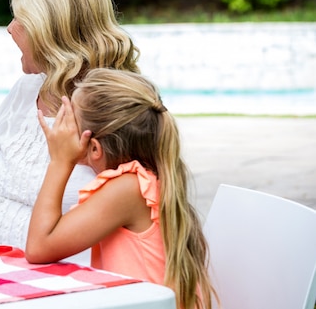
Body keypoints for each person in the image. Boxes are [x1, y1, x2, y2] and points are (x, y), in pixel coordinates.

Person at [0, 0, 140, 249]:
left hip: (66, 284)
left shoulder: (119, 112)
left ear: (50, 28)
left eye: (20, 17)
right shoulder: (22, 93)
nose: (10, 28)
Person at [25, 68, 217, 309]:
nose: (61, 127)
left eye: (69, 119)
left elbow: (39, 247)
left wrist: (60, 161)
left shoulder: (129, 188)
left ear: (95, 148)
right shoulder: (144, 181)